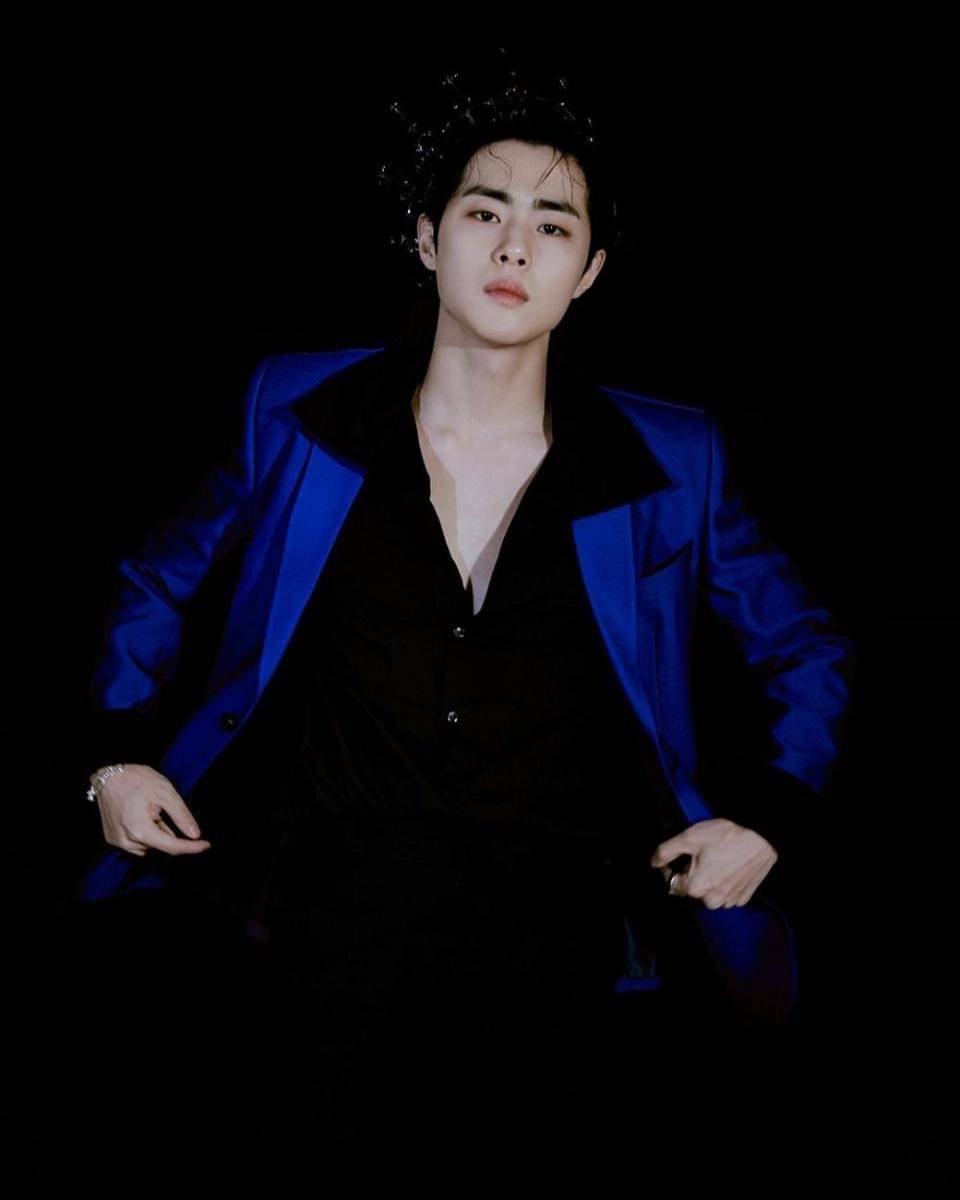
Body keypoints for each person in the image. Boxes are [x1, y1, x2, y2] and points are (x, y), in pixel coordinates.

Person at [74, 57, 855, 1067]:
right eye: (485, 212)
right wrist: (114, 759)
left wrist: (770, 821)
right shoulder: (296, 412)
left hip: (562, 953)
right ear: (427, 237)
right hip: (308, 933)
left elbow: (807, 651)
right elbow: (154, 581)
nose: (515, 247)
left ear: (590, 271)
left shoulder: (673, 460)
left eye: (554, 226)